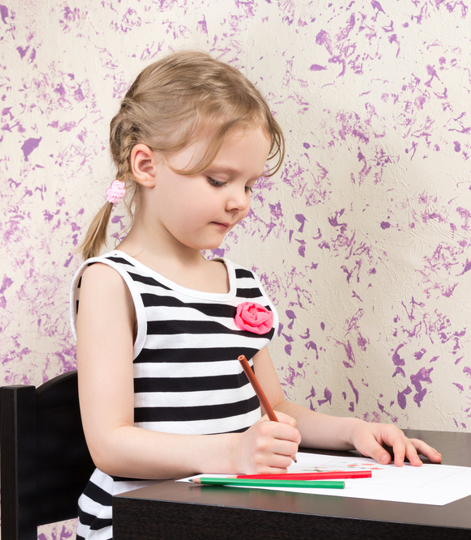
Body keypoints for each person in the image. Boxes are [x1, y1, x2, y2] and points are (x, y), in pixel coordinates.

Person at [70, 50, 441, 540]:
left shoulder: (239, 284)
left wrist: (351, 432)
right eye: (219, 180)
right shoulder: (112, 282)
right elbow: (110, 446)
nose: (239, 202)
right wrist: (233, 454)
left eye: (249, 185)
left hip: (223, 513)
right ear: (146, 165)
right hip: (140, 522)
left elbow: (275, 410)